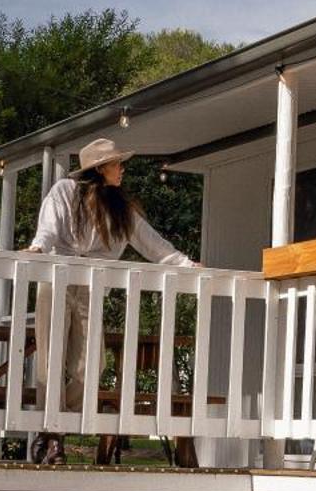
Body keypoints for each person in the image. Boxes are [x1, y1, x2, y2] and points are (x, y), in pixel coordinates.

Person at [27, 136, 194, 464]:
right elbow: (47, 228)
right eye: (117, 163)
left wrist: (186, 264)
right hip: (56, 279)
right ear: (100, 168)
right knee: (50, 359)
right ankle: (54, 436)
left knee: (92, 363)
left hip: (91, 287)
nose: (122, 169)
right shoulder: (65, 191)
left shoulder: (120, 208)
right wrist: (37, 248)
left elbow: (152, 243)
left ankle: (55, 426)